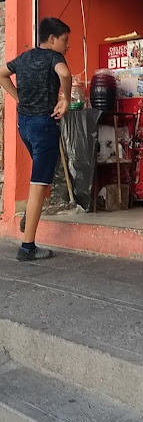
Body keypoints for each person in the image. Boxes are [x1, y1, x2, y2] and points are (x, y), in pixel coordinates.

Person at [0, 17, 72, 260]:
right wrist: (66, 99)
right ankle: (27, 247)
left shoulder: (25, 57)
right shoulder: (54, 57)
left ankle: (29, 220)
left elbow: (1, 74)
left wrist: (18, 97)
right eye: (65, 40)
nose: (67, 46)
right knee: (39, 184)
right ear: (52, 39)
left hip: (25, 126)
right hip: (43, 126)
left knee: (40, 181)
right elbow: (65, 73)